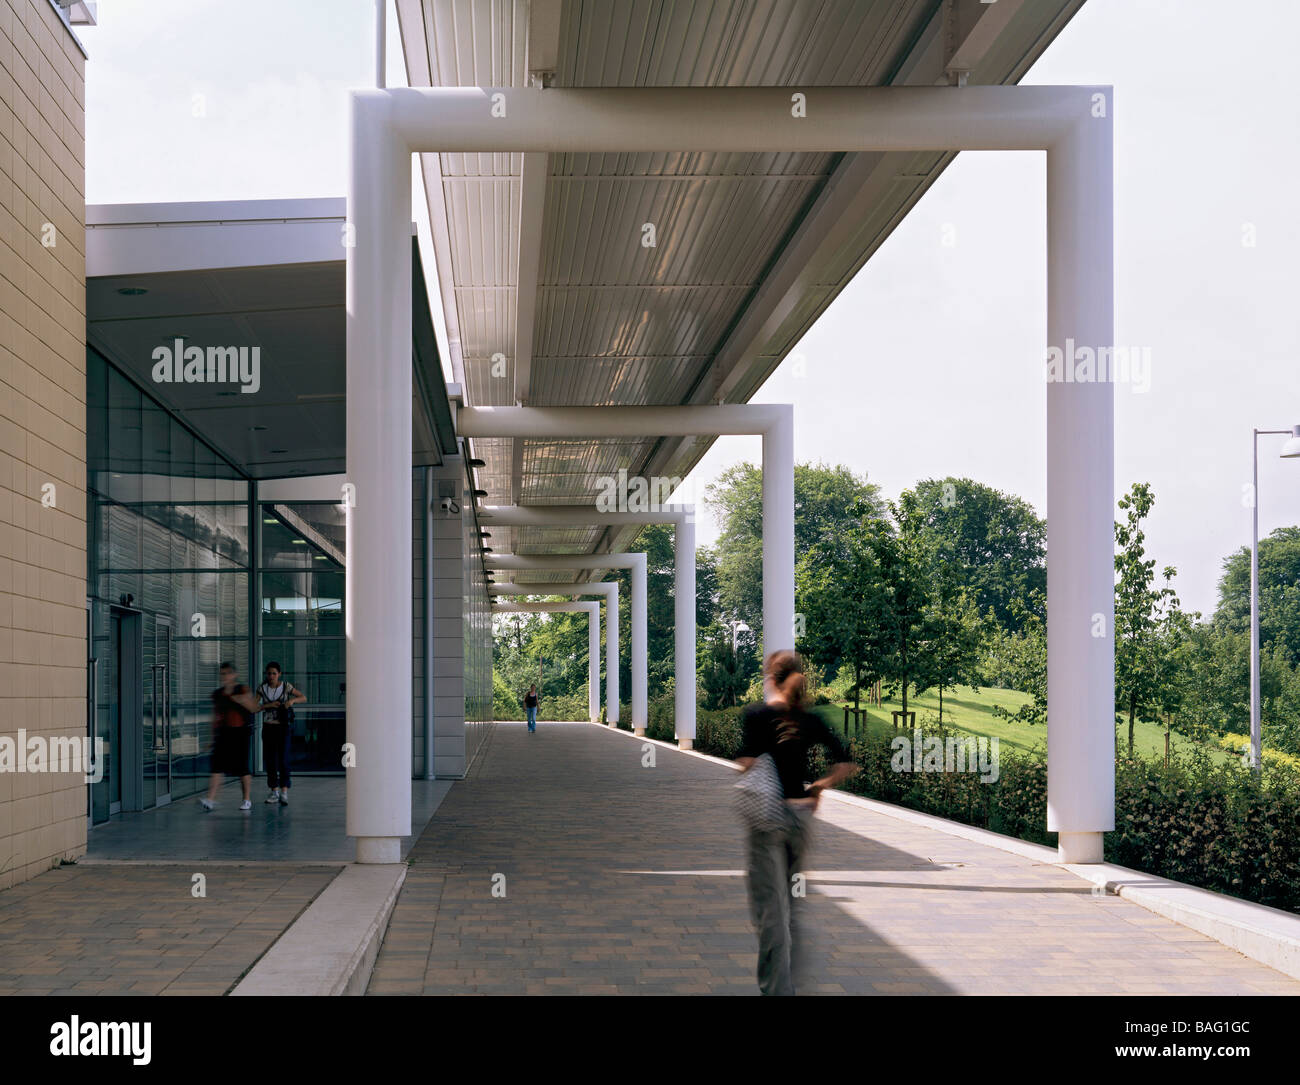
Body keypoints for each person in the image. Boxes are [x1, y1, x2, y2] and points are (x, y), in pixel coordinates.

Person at [735, 649, 859, 995]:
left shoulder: (758, 716)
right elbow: (845, 762)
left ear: (770, 679)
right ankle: (791, 982)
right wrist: (819, 786)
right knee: (792, 906)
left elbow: (745, 762)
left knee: (768, 911)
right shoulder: (812, 719)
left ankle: (778, 990)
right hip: (800, 818)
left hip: (765, 821)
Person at [200, 662, 259, 812]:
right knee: (217, 766)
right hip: (223, 732)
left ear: (234, 674)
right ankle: (211, 799)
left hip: (240, 732)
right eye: (222, 673)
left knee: (242, 768)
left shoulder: (242, 690)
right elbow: (216, 717)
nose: (224, 676)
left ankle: (246, 799)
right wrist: (211, 739)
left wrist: (242, 700)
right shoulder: (218, 694)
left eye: (227, 673)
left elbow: (254, 708)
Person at [257, 662, 305, 806]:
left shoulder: (286, 687)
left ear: (279, 674)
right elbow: (254, 707)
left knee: (283, 759)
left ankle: (284, 791)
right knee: (271, 760)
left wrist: (291, 701)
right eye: (269, 673)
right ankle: (274, 791)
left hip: (283, 728)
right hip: (269, 728)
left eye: (274, 673)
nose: (271, 676)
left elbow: (303, 697)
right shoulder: (262, 689)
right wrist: (268, 705)